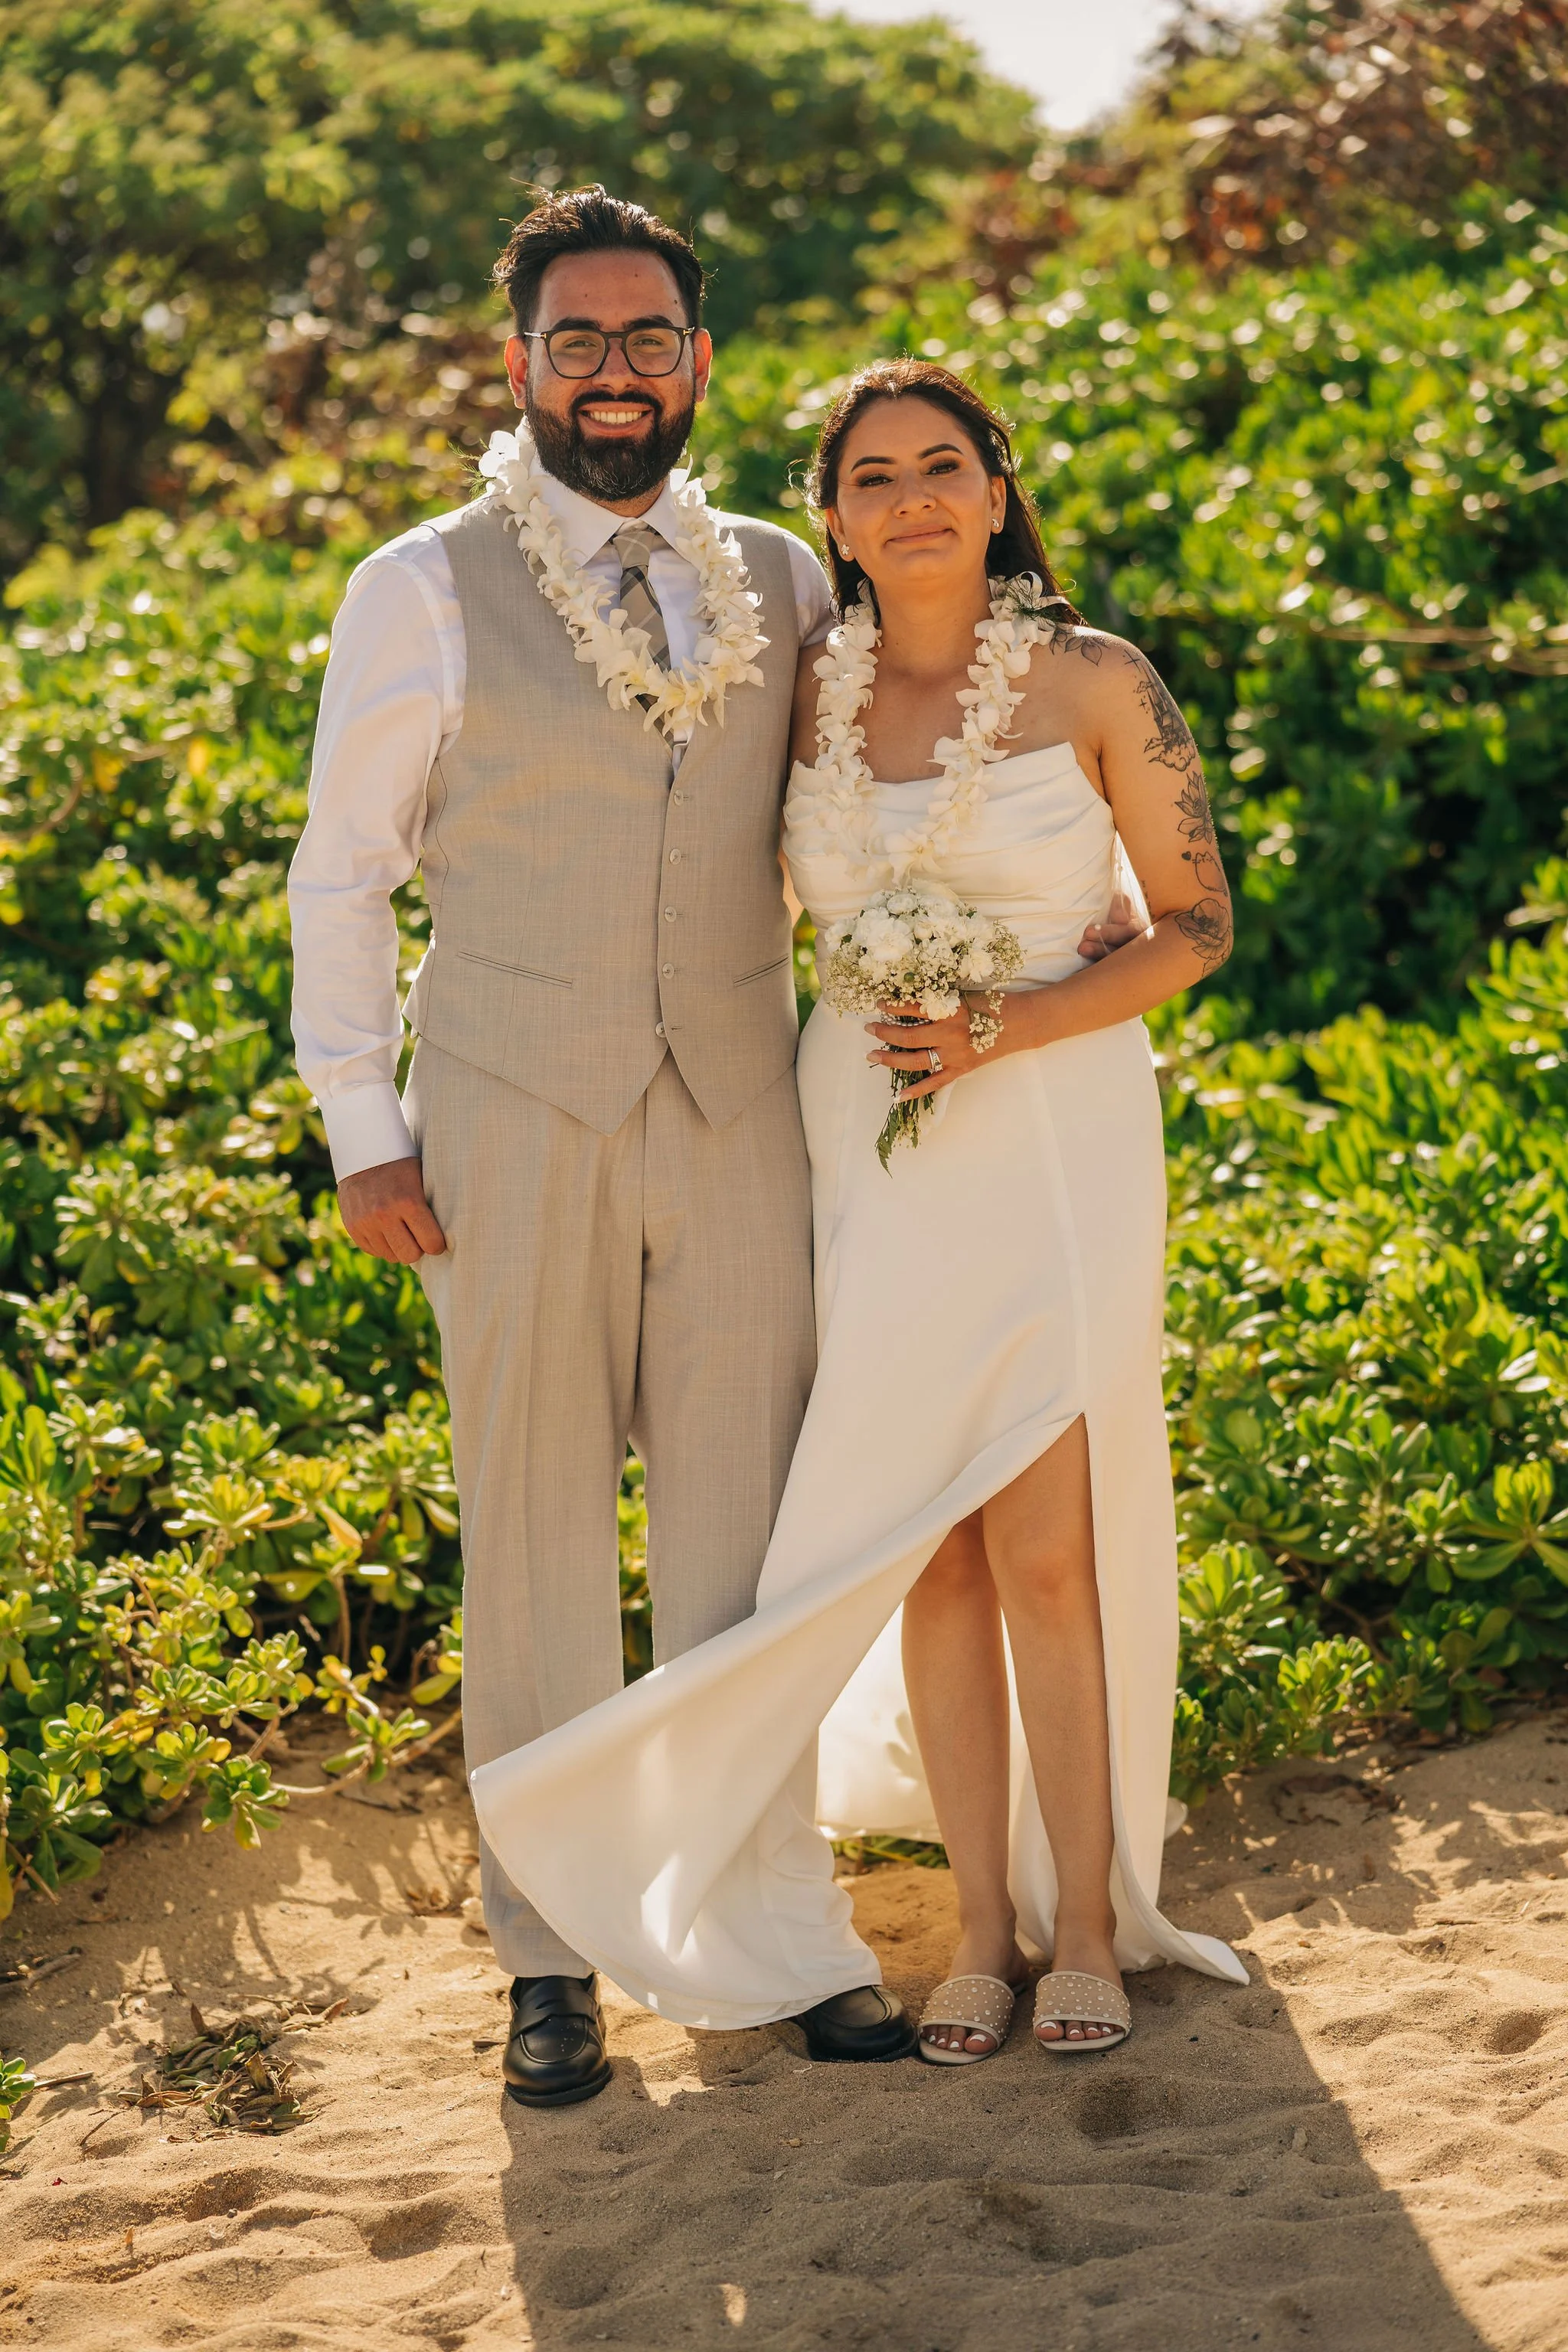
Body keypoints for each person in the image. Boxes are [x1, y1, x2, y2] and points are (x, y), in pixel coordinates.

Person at [469, 360, 1247, 2061]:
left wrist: (1011, 1023)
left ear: (996, 490)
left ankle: (1089, 1927)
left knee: (1042, 1539)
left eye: (941, 465)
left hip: (1048, 1128)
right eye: (872, 477)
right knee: (926, 1541)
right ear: (829, 518)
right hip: (854, 1133)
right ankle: (978, 1928)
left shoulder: (1101, 677)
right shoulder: (797, 689)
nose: (911, 499)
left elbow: (1196, 924)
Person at [288, 188, 923, 2106]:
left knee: (750, 1549)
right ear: (520, 366)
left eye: (649, 338)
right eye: (578, 342)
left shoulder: (781, 577)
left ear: (698, 359)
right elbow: (342, 876)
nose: (616, 374)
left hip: (737, 1109)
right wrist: (363, 1129)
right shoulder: (419, 585)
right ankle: (546, 1957)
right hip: (508, 1110)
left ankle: (767, 1927)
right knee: (538, 1544)